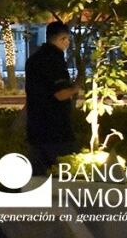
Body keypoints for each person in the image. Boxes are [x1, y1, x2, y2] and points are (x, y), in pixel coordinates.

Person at [25, 20, 81, 175]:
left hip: (35, 128)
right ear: (60, 39)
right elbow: (61, 94)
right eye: (66, 39)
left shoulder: (34, 59)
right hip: (56, 130)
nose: (68, 43)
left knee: (38, 177)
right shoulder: (54, 59)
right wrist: (76, 88)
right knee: (64, 173)